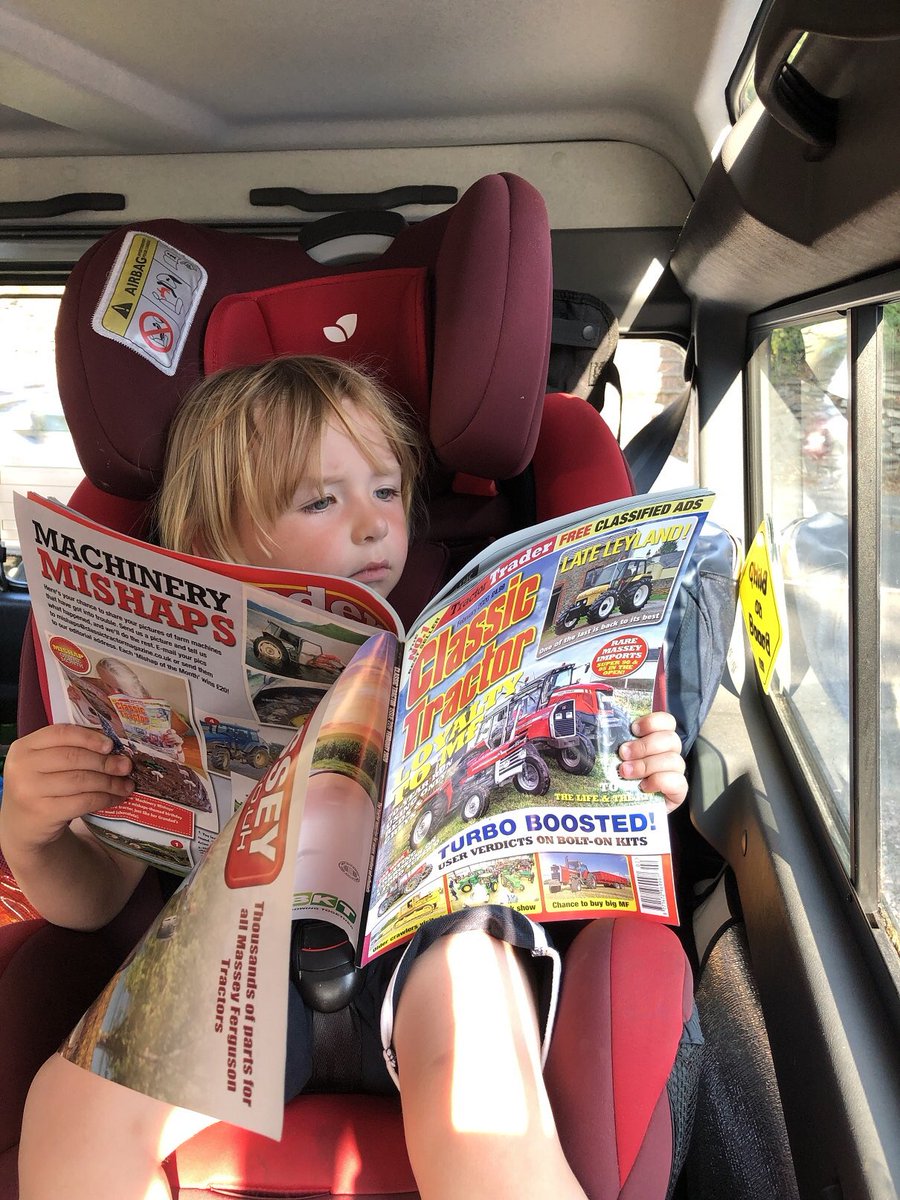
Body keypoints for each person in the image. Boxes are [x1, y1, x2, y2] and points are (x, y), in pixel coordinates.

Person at [0, 355, 688, 1200]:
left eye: (387, 491)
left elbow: (587, 816)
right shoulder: (164, 687)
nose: (372, 524)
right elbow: (94, 900)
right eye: (322, 500)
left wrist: (639, 774)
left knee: (484, 1091)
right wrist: (32, 829)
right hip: (232, 949)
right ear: (214, 543)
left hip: (436, 938)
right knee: (69, 1105)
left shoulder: (447, 641)